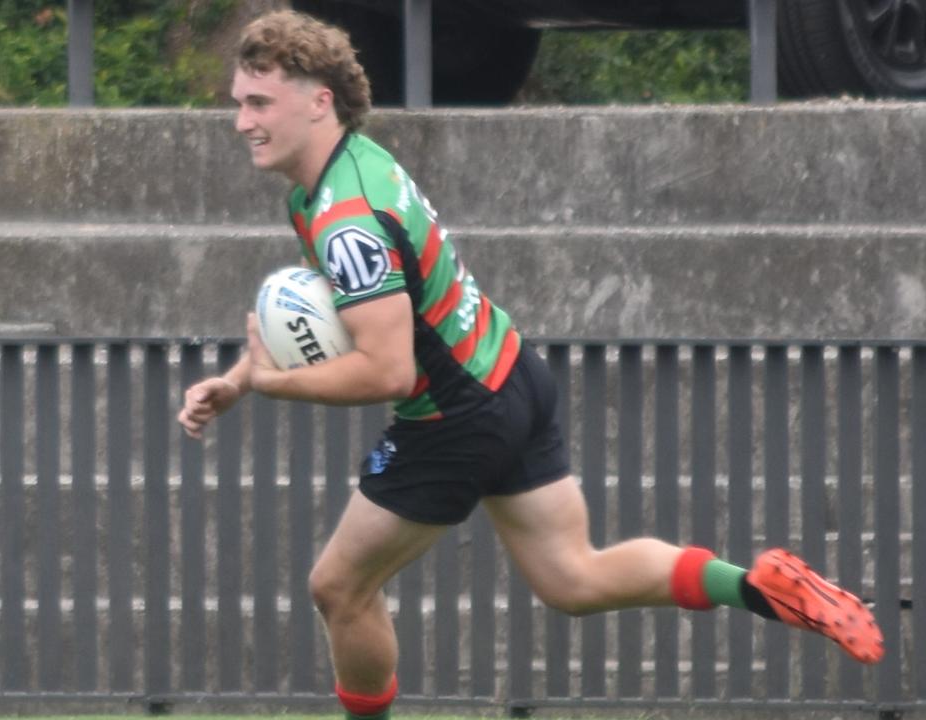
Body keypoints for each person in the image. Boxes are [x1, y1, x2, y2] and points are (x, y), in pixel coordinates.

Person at [177, 10, 884, 719]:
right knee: (575, 579)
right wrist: (241, 378)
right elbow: (333, 317)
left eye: (259, 102)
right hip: (511, 375)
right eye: (241, 102)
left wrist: (272, 384)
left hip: (453, 416)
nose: (242, 121)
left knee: (338, 587)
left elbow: (386, 371)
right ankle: (759, 586)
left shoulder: (346, 219)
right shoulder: (349, 169)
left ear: (318, 100)